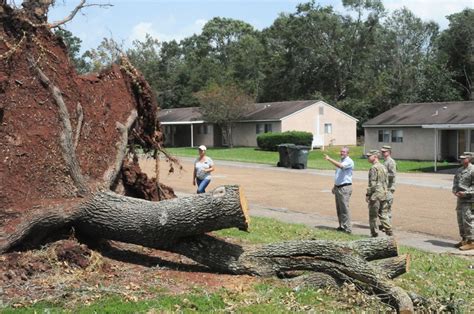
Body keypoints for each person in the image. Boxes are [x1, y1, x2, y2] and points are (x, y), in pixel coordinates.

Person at [324, 146, 354, 234]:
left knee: (344, 208)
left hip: (345, 187)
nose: (342, 153)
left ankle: (347, 228)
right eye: (341, 151)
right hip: (338, 187)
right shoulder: (341, 160)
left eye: (344, 152)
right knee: (339, 208)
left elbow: (341, 166)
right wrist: (334, 186)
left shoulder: (349, 161)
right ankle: (342, 226)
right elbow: (338, 175)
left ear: (347, 153)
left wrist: (329, 159)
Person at [365, 150, 392, 237]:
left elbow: (372, 184)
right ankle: (389, 231)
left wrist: (368, 194)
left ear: (375, 156)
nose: (368, 158)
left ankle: (373, 233)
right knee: (383, 214)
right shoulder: (383, 167)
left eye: (369, 156)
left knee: (373, 215)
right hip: (384, 194)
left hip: (376, 195)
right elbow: (386, 181)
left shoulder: (374, 168)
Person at [452, 152, 474, 251]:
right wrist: (454, 190)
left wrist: (465, 193)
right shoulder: (459, 170)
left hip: (469, 199)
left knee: (468, 220)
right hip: (460, 199)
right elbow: (455, 182)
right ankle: (464, 239)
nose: (461, 160)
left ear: (469, 159)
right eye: (460, 158)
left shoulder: (472, 170)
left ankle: (471, 241)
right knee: (460, 219)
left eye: (463, 158)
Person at [381, 145, 397, 228]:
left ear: (389, 152)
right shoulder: (385, 161)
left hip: (389, 187)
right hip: (384, 187)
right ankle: (385, 224)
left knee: (387, 206)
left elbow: (393, 174)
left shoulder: (391, 162)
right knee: (384, 206)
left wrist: (383, 174)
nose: (383, 153)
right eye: (382, 151)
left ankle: (388, 225)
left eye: (385, 152)